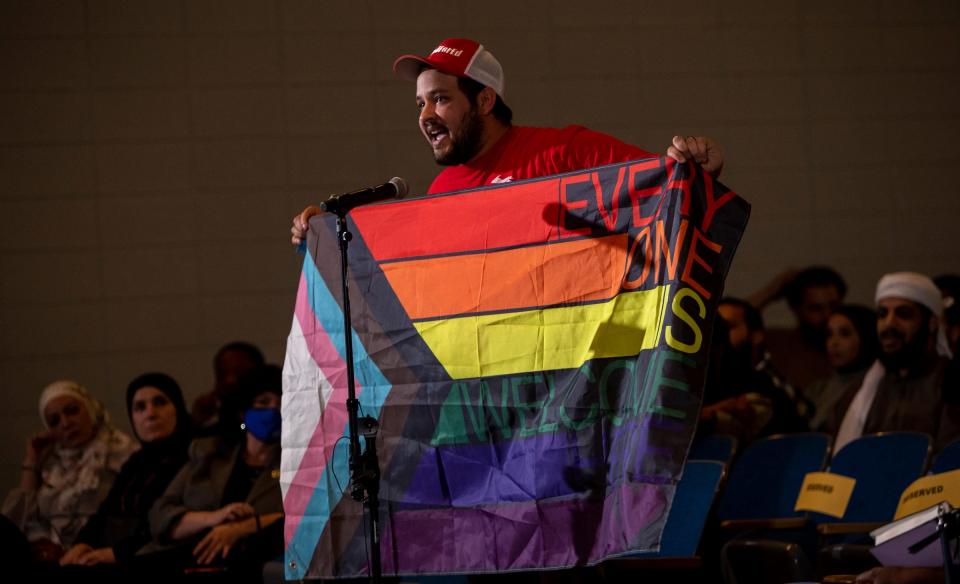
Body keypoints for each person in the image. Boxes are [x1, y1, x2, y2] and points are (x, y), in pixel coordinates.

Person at [291, 37, 725, 244]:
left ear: (483, 100)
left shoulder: (566, 150)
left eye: (440, 99)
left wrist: (695, 170)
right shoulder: (442, 192)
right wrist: (328, 233)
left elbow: (662, 187)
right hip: (498, 394)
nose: (425, 116)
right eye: (419, 104)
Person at [139, 365, 284, 582]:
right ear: (243, 411)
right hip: (179, 557)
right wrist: (213, 519)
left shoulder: (297, 463)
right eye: (263, 402)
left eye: (281, 403)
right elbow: (160, 515)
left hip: (247, 565)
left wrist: (240, 528)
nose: (274, 410)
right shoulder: (208, 452)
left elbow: (303, 518)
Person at [59, 372, 191, 568]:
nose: (150, 413)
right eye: (140, 407)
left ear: (177, 408)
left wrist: (118, 553)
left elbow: (170, 523)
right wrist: (82, 544)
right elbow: (107, 510)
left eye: (160, 402)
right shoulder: (136, 461)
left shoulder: (193, 457)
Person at [3, 380, 137, 562]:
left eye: (72, 411)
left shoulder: (122, 452)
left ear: (90, 408)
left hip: (96, 556)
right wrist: (32, 461)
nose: (66, 423)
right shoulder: (50, 464)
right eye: (54, 420)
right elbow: (17, 519)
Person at [835, 272, 957, 451]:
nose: (889, 324)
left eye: (903, 314)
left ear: (931, 323)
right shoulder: (861, 390)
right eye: (882, 314)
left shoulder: (951, 381)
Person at [698, 297, 808, 444]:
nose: (717, 335)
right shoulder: (701, 382)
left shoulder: (766, 386)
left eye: (728, 327)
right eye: (712, 328)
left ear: (756, 335)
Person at [748, 266, 848, 390]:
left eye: (834, 305)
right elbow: (725, 324)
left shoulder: (857, 345)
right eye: (815, 308)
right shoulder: (776, 343)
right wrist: (770, 291)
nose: (828, 315)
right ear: (796, 309)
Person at [806, 305, 880, 436]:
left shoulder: (875, 386)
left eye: (844, 334)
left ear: (865, 336)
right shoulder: (817, 389)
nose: (834, 343)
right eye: (829, 334)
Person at [191, 341, 264, 435]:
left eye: (239, 373)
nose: (230, 381)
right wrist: (195, 423)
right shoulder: (213, 435)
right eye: (222, 374)